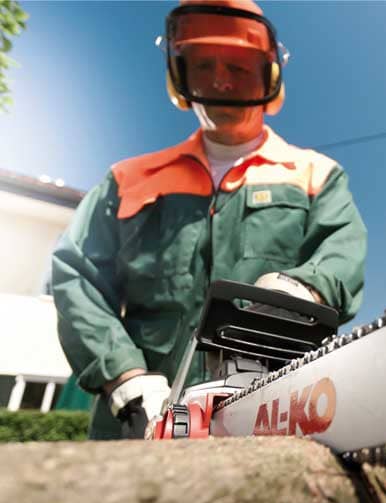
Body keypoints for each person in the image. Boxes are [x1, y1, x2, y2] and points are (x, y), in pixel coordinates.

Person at [52, 0, 367, 440]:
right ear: (179, 77)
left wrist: (301, 289)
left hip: (266, 414)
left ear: (268, 75)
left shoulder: (316, 175)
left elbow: (340, 254)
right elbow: (77, 275)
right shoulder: (128, 179)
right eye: (203, 66)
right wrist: (124, 376)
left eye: (238, 66)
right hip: (139, 422)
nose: (220, 80)